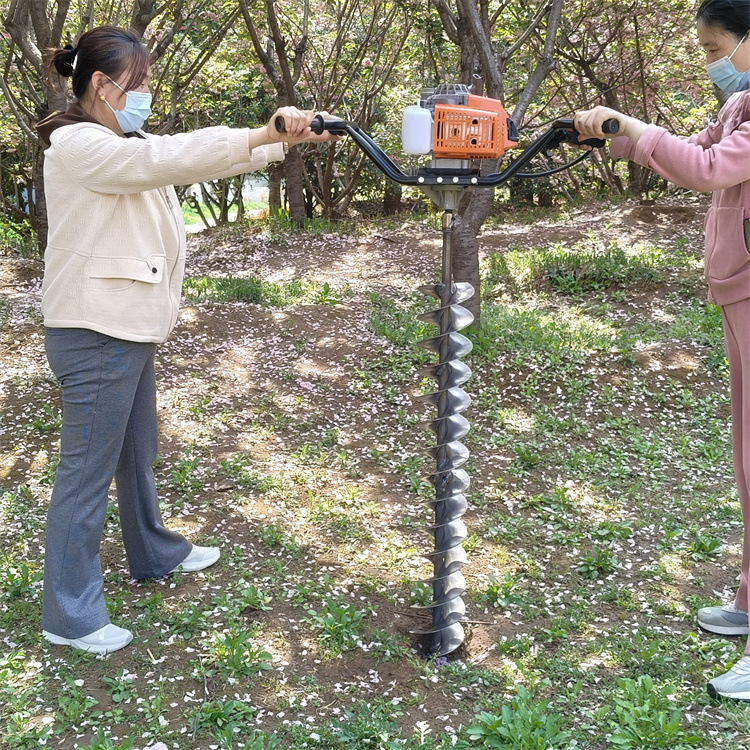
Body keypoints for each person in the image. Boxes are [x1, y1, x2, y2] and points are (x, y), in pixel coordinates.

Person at [36, 25, 336, 654]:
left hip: (124, 324)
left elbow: (170, 153)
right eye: (136, 86)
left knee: (134, 453)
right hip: (94, 331)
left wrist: (280, 144)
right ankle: (69, 615)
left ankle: (153, 553)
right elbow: (161, 160)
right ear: (101, 85)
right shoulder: (77, 144)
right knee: (85, 476)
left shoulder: (121, 137)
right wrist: (260, 133)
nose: (144, 97)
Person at [574, 0, 750, 701]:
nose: (710, 60)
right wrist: (610, 134)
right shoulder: (741, 106)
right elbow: (690, 149)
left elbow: (710, 169)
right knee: (745, 457)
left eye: (715, 46)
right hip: (738, 289)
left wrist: (639, 132)